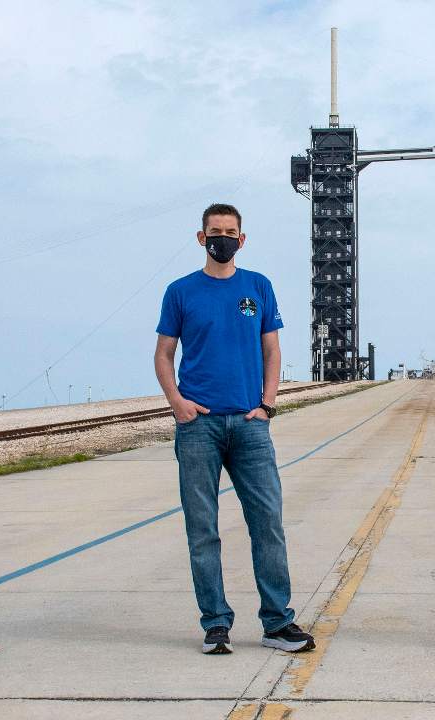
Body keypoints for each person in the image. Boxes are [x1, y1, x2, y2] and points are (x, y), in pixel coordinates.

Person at [154, 203, 315, 656]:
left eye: (230, 232)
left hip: (249, 426)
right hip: (198, 427)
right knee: (202, 529)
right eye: (214, 232)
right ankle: (216, 624)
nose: (222, 238)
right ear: (201, 238)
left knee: (267, 524)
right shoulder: (180, 291)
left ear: (241, 239)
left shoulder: (257, 287)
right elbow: (164, 353)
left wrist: (267, 404)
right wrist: (178, 403)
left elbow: (272, 351)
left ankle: (277, 623)